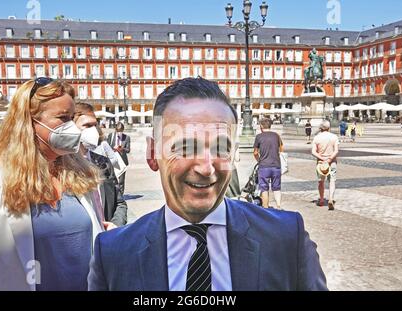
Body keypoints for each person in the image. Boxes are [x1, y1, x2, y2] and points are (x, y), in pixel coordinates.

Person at [88, 77, 327, 291]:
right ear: (153, 153)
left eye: (220, 148)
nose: (206, 167)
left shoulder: (286, 238)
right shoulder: (113, 254)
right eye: (184, 147)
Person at [0, 78, 105, 291]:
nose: (72, 128)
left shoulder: (84, 177)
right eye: (62, 118)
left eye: (71, 118)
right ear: (29, 123)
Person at [74, 102, 127, 228]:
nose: (93, 130)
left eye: (95, 125)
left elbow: (120, 202)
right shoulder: (63, 168)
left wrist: (115, 225)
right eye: (87, 125)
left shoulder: (103, 162)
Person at [253, 118, 284, 210]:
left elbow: (255, 152)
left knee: (264, 188)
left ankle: (265, 208)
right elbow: (281, 149)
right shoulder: (276, 136)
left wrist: (259, 160)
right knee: (277, 187)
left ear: (261, 126)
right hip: (276, 165)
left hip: (264, 166)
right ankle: (278, 206)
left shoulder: (259, 137)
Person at [312, 120, 339, 210]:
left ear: (320, 128)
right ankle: (331, 198)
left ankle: (322, 199)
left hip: (321, 163)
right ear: (329, 127)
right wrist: (330, 159)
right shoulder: (334, 137)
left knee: (321, 182)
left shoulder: (317, 137)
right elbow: (336, 151)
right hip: (332, 162)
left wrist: (322, 158)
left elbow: (313, 151)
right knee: (332, 181)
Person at [107, 122, 130, 194]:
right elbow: (106, 147)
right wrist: (113, 149)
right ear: (115, 130)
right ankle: (114, 195)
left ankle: (121, 195)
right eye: (118, 131)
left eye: (121, 131)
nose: (119, 133)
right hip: (113, 160)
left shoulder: (126, 137)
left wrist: (122, 148)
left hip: (122, 161)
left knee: (121, 180)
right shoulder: (111, 136)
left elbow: (128, 150)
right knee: (112, 178)